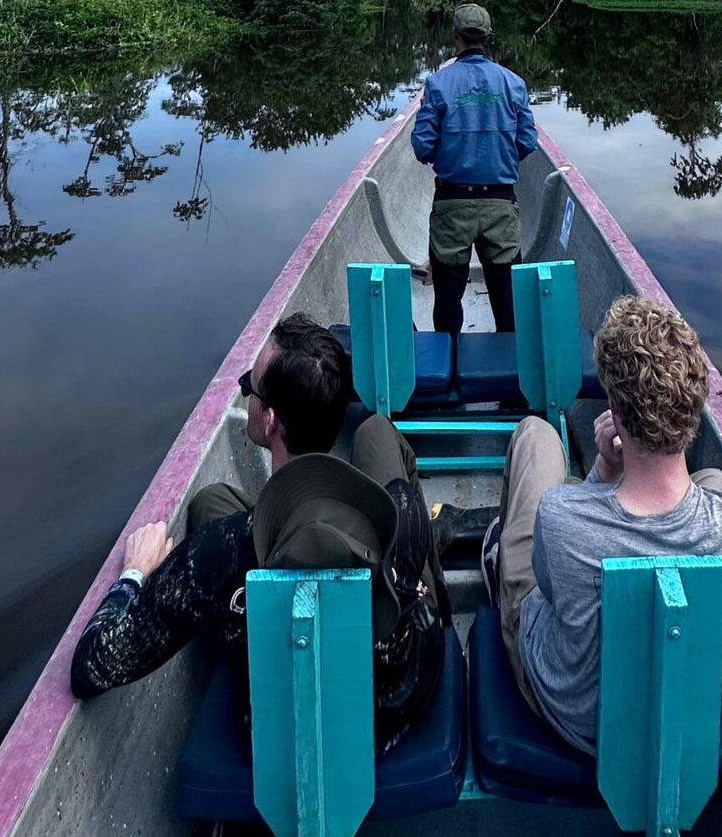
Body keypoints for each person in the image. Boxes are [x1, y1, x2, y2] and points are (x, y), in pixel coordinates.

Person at [71, 313, 446, 746]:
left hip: (290, 729)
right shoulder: (403, 511)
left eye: (250, 386)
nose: (245, 390)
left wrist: (135, 572)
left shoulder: (217, 554)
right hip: (405, 690)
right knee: (375, 432)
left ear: (269, 421)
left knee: (210, 508)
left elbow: (91, 667)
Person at [485, 295, 722, 754]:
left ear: (614, 408)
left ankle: (496, 554)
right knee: (714, 481)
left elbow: (548, 594)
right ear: (692, 411)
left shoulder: (561, 517)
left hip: (573, 723)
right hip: (691, 741)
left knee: (537, 438)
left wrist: (603, 475)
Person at [410, 1, 537, 334]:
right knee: (507, 299)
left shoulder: (437, 84)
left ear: (455, 37)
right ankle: (508, 368)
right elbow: (527, 143)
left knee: (448, 298)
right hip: (501, 208)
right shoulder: (514, 83)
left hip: (452, 205)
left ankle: (448, 362)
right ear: (487, 37)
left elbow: (422, 147)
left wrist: (453, 154)